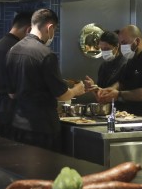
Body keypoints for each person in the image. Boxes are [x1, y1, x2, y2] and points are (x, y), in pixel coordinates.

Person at [6, 8, 86, 150]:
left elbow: (11, 93)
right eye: (54, 29)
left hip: (18, 123)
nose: (53, 34)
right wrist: (76, 90)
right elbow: (62, 95)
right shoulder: (46, 54)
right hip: (42, 126)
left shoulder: (13, 50)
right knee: (44, 170)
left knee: (20, 169)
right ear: (49, 28)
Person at [96, 25, 142, 122]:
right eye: (120, 44)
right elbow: (122, 82)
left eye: (124, 43)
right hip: (133, 117)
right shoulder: (131, 61)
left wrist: (118, 94)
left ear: (137, 41)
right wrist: (110, 90)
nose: (122, 47)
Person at [0, 11, 32, 139]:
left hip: (2, 107)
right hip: (16, 111)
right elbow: (16, 89)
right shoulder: (17, 49)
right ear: (28, 29)